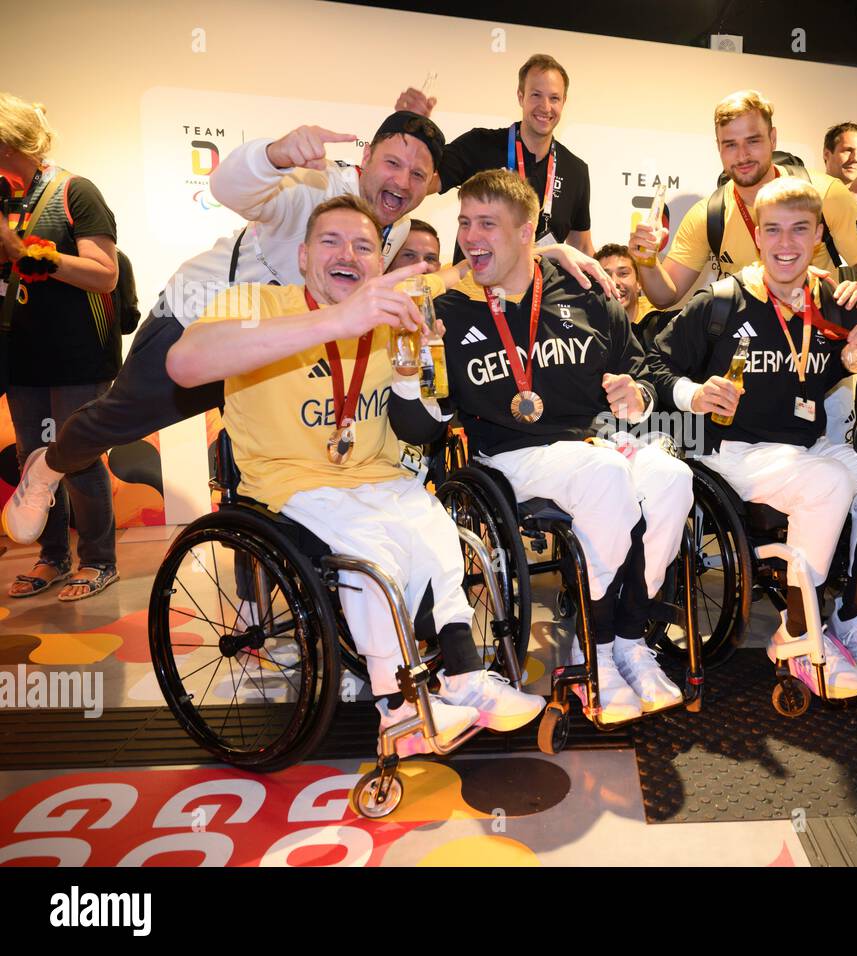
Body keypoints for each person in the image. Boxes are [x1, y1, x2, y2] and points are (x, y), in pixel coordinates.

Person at [3, 104, 608, 547]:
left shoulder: (389, 227)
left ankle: (263, 614)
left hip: (285, 357)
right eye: (391, 163)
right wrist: (273, 154)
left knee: (253, 473)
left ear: (429, 188)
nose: (401, 180)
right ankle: (46, 468)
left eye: (417, 175)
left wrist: (544, 254)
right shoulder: (314, 190)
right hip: (207, 322)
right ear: (365, 158)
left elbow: (433, 278)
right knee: (114, 421)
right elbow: (229, 186)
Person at [166, 195, 546, 751]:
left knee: (437, 531)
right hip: (288, 483)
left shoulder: (392, 313)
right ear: (301, 257)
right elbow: (184, 363)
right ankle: (395, 709)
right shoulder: (256, 303)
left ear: (380, 262)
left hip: (378, 476)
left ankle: (465, 679)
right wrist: (334, 319)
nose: (348, 254)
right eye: (330, 242)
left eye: (364, 245)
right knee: (375, 553)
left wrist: (558, 253)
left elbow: (487, 260)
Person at [393, 168, 692, 722]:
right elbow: (422, 424)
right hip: (508, 458)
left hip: (592, 441)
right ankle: (593, 647)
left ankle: (628, 638)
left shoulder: (584, 292)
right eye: (464, 223)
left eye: (488, 223)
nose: (471, 236)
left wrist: (639, 394)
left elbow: (641, 370)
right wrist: (415, 368)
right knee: (602, 475)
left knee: (673, 478)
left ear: (528, 231)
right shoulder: (447, 312)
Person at [644, 177, 857, 696]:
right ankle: (795, 631)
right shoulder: (722, 301)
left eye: (798, 230)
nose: (785, 243)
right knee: (828, 484)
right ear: (759, 237)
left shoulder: (835, 300)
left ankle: (851, 619)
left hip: (808, 445)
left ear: (817, 235)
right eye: (773, 230)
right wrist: (692, 394)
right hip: (734, 452)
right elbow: (653, 361)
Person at [0, 94, 120, 601]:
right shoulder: (6, 197)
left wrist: (28, 254)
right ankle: (53, 558)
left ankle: (99, 560)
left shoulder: (76, 191)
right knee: (34, 461)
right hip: (22, 358)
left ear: (13, 145)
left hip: (77, 357)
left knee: (76, 458)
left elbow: (105, 274)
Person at [630, 90, 857, 313]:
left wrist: (854, 304)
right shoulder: (710, 214)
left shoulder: (824, 193)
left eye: (753, 141)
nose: (742, 155)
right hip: (748, 353)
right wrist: (647, 262)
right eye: (730, 144)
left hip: (820, 353)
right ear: (718, 147)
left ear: (773, 138)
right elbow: (666, 297)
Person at [427, 54, 594, 257]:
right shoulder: (479, 144)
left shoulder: (575, 170)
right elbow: (425, 183)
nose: (545, 106)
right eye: (536, 95)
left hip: (543, 287)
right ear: (520, 96)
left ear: (564, 102)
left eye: (554, 98)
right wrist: (412, 138)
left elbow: (582, 248)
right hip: (476, 285)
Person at [595, 242, 675, 350]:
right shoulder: (586, 333)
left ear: (639, 283)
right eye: (605, 275)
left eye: (623, 273)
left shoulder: (663, 330)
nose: (614, 282)